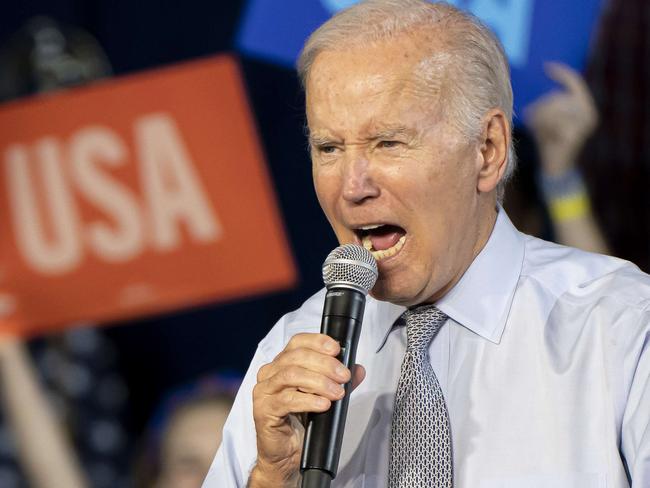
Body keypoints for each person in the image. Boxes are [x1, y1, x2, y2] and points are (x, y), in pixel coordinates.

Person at [205, 1, 650, 486]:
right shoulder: (290, 350)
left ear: (488, 150)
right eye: (329, 148)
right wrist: (272, 477)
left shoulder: (620, 327)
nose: (352, 187)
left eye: (388, 143)